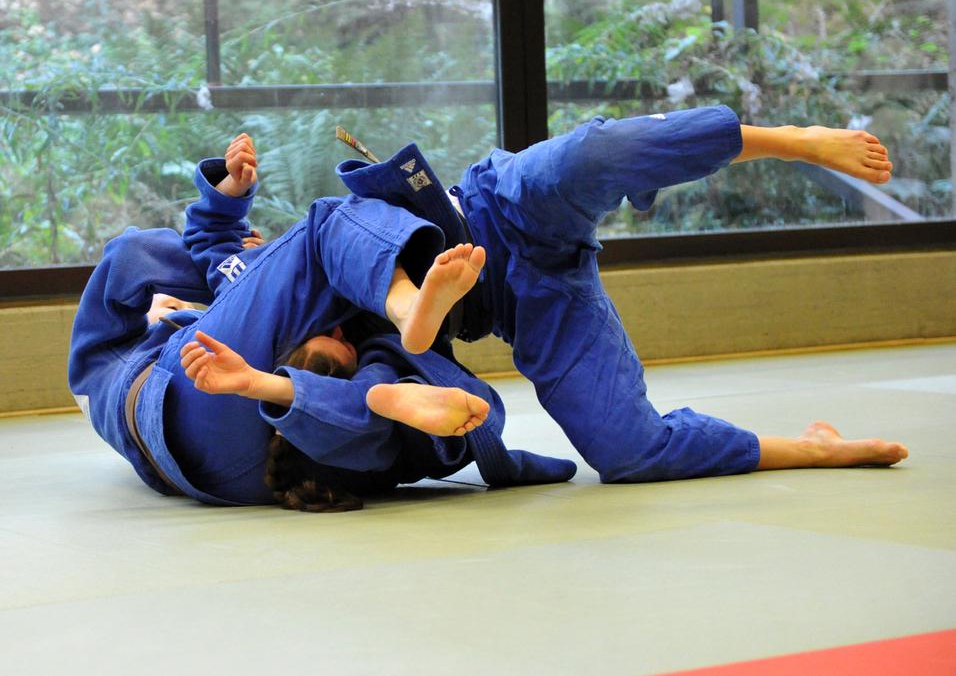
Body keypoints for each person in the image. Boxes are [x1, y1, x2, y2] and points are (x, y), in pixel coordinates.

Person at [189, 105, 907, 494]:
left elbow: (213, 249)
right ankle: (810, 447)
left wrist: (229, 196)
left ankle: (793, 140)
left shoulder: (250, 285)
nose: (343, 341)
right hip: (522, 299)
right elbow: (357, 403)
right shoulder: (355, 364)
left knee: (598, 155)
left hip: (500, 206)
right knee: (627, 453)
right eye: (344, 352)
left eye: (329, 345)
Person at [68, 135, 576, 510]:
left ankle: (379, 384)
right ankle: (400, 317)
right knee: (328, 227)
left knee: (402, 374)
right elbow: (143, 255)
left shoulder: (195, 343)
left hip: (269, 465)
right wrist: (242, 271)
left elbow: (209, 251)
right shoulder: (144, 358)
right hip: (226, 415)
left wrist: (228, 200)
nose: (332, 328)